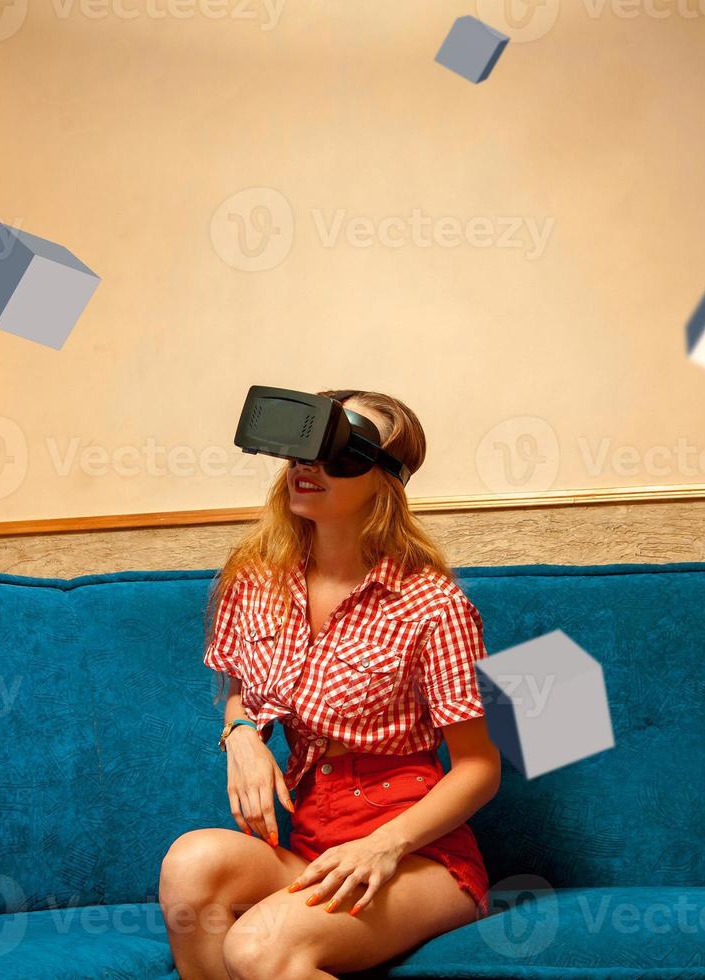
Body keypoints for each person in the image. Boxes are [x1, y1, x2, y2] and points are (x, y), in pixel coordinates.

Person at [159, 388, 500, 980]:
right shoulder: (256, 583)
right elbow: (243, 692)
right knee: (191, 865)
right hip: (313, 845)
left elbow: (479, 768)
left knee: (260, 948)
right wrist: (240, 734)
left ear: (386, 479)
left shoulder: (430, 606)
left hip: (415, 856)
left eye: (338, 452)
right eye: (300, 451)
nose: (307, 467)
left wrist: (382, 847)